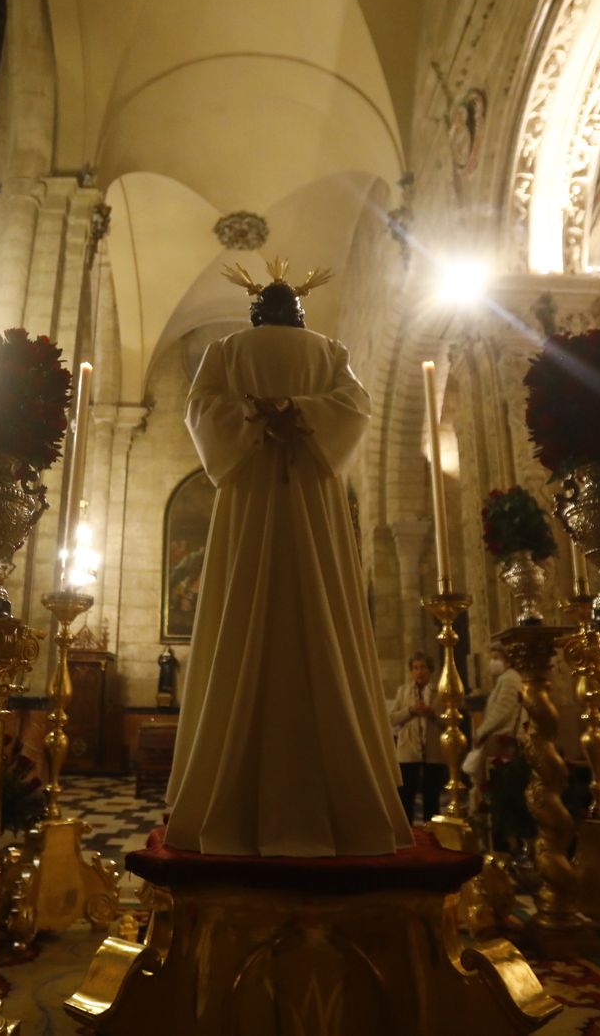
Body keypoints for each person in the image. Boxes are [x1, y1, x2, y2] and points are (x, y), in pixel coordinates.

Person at [164, 263, 413, 857]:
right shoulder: (329, 351)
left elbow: (199, 411)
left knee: (238, 612)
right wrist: (298, 414)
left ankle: (224, 804)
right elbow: (354, 406)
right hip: (310, 495)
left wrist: (255, 416)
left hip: (248, 497)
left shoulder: (226, 350)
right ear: (298, 311)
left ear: (256, 312)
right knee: (323, 611)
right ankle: (345, 808)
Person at [390, 651, 449, 822]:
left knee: (432, 797)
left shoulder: (440, 692)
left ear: (430, 671)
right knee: (406, 796)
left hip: (433, 751)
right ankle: (409, 835)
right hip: (408, 751)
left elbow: (448, 722)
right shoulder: (403, 692)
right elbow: (392, 718)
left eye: (423, 667)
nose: (419, 672)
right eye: (415, 668)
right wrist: (410, 711)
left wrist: (432, 714)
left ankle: (432, 834)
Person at [462, 648, 525, 786]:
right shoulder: (505, 678)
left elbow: (501, 712)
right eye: (492, 658)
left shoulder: (509, 679)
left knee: (502, 781)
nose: (492, 662)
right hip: (501, 736)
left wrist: (481, 731)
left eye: (496, 658)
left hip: (504, 736)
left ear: (507, 661)